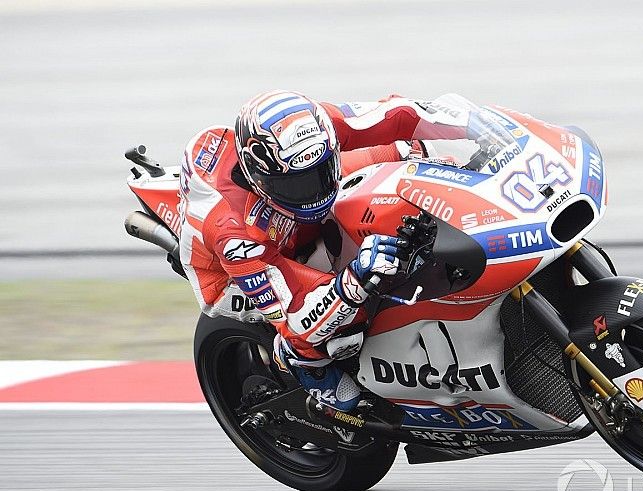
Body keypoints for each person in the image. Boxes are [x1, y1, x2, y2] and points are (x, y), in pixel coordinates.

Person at [178, 91, 496, 412]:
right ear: (259, 174)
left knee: (409, 154)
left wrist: (476, 125)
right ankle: (304, 365)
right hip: (236, 276)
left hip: (282, 216)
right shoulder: (235, 236)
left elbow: (397, 115)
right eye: (299, 185)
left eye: (320, 173)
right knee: (344, 317)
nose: (314, 193)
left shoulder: (312, 128)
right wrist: (354, 279)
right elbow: (294, 314)